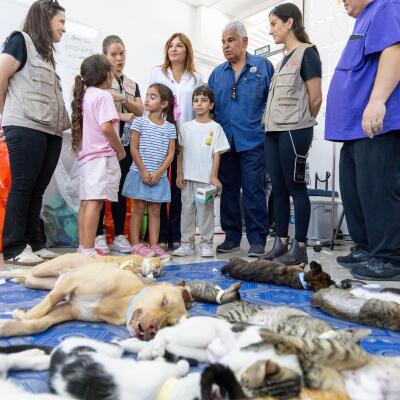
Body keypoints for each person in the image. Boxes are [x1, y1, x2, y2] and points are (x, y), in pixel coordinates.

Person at [325, 0, 400, 280]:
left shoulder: (386, 6)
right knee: (355, 190)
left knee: (379, 190)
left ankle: (390, 257)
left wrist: (378, 100)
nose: (341, 1)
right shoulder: (365, 18)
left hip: (375, 124)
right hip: (354, 127)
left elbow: (394, 50)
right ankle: (366, 248)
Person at [0, 0, 70, 265]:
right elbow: (1, 75)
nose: (64, 28)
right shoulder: (21, 40)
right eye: (61, 21)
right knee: (23, 185)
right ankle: (14, 248)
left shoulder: (47, 54)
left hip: (50, 130)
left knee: (38, 189)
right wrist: (3, 116)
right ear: (45, 18)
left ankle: (34, 242)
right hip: (25, 125)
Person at [261, 3, 322, 265]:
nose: (271, 29)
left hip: (294, 130)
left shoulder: (307, 53)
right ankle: (281, 243)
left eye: (274, 23)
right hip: (273, 131)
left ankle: (300, 248)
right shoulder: (281, 61)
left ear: (289, 23)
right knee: (277, 188)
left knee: (296, 187)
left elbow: (315, 98)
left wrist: (302, 125)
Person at [208, 21, 274, 257]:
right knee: (228, 191)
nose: (226, 46)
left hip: (254, 141)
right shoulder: (217, 74)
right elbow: (210, 110)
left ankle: (257, 239)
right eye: (223, 42)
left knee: (254, 190)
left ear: (244, 41)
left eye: (231, 40)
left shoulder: (263, 66)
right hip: (225, 144)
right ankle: (232, 237)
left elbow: (273, 101)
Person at [149, 33, 203, 251]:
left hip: (187, 140)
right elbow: (150, 104)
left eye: (179, 45)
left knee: (181, 189)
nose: (174, 49)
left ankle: (178, 234)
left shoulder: (196, 78)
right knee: (161, 187)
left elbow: (201, 109)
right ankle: (161, 235)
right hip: (161, 137)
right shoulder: (158, 73)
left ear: (187, 50)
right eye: (170, 45)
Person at [71, 54, 126, 257]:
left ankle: (83, 247)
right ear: (107, 74)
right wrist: (120, 149)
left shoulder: (85, 95)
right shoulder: (103, 96)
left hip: (87, 158)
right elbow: (106, 127)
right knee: (95, 203)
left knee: (86, 203)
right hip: (100, 157)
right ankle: (88, 249)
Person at [94, 35, 144, 255]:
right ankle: (98, 234)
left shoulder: (132, 84)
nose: (119, 58)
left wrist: (123, 99)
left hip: (126, 144)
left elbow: (140, 110)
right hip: (104, 143)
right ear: (104, 56)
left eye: (122, 53)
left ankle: (119, 236)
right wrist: (123, 115)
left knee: (121, 189)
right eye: (113, 54)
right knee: (100, 188)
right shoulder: (99, 82)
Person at [173, 85, 230, 258]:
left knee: (205, 213)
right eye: (196, 100)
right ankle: (187, 244)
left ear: (211, 105)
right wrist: (179, 174)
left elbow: (216, 153)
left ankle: (206, 244)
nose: (199, 103)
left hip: (205, 181)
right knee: (187, 212)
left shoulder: (216, 128)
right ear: (192, 104)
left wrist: (213, 176)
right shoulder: (185, 127)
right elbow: (180, 152)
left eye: (204, 100)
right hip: (187, 178)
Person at [122, 83, 176, 262]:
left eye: (153, 97)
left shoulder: (170, 127)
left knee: (155, 210)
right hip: (140, 173)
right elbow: (133, 148)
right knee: (138, 207)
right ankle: (135, 244)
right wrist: (143, 171)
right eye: (147, 96)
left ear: (164, 104)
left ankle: (153, 245)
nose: (147, 99)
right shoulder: (139, 122)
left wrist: (159, 173)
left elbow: (170, 154)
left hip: (158, 176)